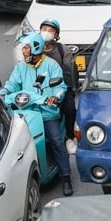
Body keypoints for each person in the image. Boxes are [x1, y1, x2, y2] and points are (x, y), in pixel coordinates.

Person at [4, 32, 73, 194]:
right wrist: (5, 91)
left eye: (27, 47)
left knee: (56, 141)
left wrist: (55, 97)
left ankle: (66, 177)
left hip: (47, 112)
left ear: (36, 47)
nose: (24, 51)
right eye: (23, 48)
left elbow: (60, 87)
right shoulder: (21, 67)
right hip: (25, 111)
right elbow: (12, 83)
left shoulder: (51, 65)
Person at [39, 18, 80, 153]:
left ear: (56, 35)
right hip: (38, 88)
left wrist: (71, 90)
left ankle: (70, 137)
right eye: (44, 29)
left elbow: (69, 71)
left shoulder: (63, 50)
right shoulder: (34, 48)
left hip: (60, 87)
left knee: (69, 108)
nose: (46, 33)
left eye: (50, 30)